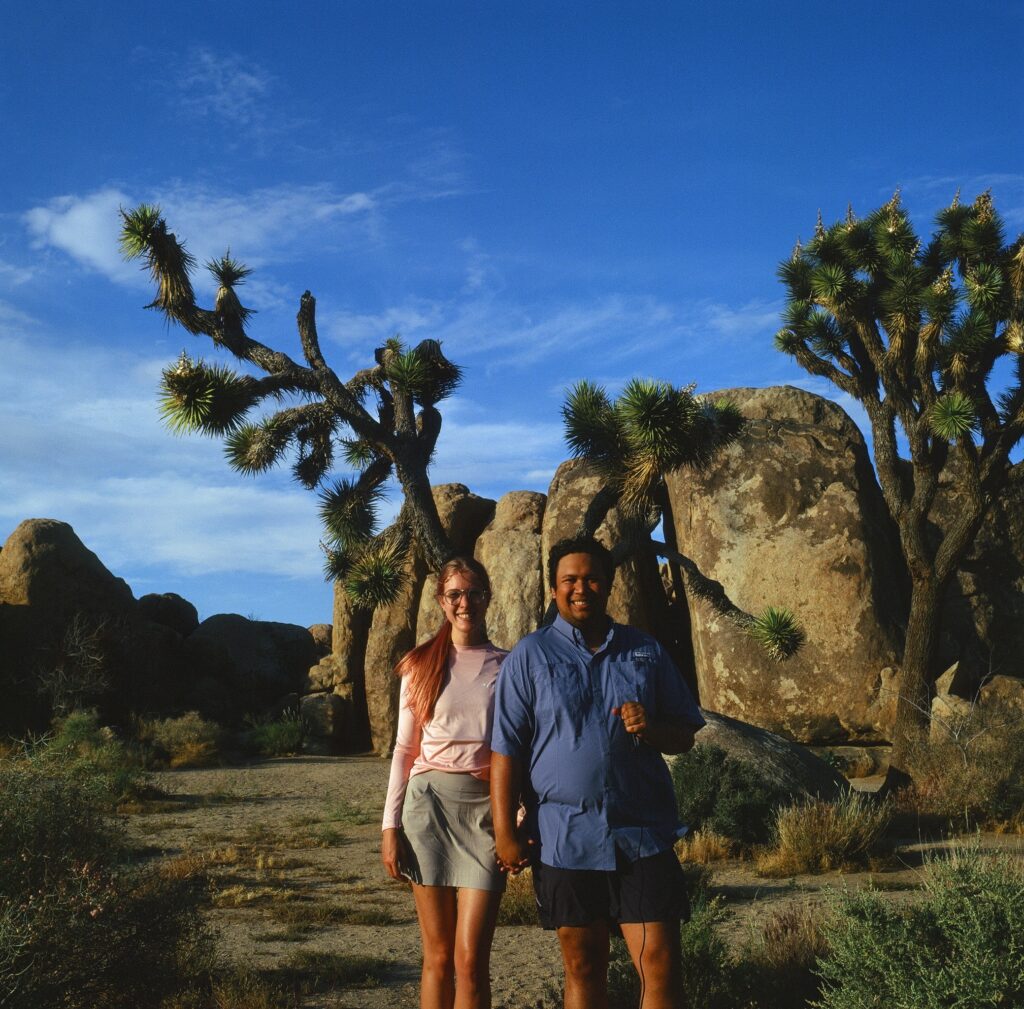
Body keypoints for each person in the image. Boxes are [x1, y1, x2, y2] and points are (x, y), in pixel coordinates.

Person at [490, 536, 705, 1009]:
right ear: (554, 590)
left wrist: (652, 728)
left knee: (660, 968)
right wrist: (505, 831)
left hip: (641, 833)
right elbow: (505, 749)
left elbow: (684, 735)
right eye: (570, 580)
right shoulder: (530, 656)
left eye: (591, 579)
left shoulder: (643, 649)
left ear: (608, 586)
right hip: (565, 838)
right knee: (584, 969)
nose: (580, 588)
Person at [381, 556, 508, 1009]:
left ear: (487, 597)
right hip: (427, 808)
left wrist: (518, 814)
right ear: (441, 601)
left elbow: (517, 750)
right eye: (455, 594)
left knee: (471, 959)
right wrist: (389, 827)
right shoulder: (419, 664)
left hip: (483, 812)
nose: (465, 603)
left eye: (473, 593)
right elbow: (403, 751)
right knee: (437, 956)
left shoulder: (507, 666)